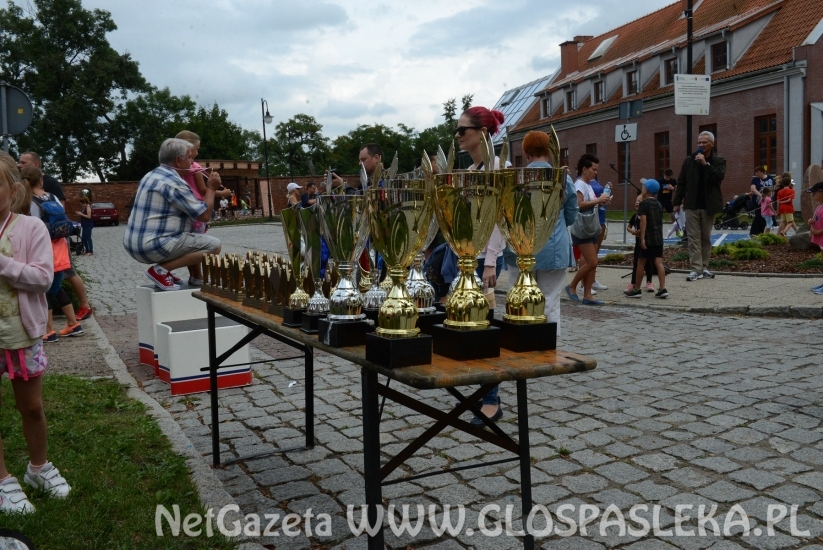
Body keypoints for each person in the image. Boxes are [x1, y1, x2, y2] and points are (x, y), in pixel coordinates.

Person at [0, 151, 71, 514]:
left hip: (21, 333)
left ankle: (38, 468)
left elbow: (44, 279)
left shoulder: (31, 228)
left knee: (32, 406)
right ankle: (2, 481)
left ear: (12, 190)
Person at [454, 105, 509, 425]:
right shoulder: (473, 170)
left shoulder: (497, 167)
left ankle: (491, 400)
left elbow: (498, 221)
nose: (458, 136)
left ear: (482, 133)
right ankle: (480, 393)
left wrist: (489, 263)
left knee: (483, 330)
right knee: (469, 328)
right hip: (467, 259)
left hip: (484, 262)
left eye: (463, 130)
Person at [124, 138, 222, 291]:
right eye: (189, 157)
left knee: (187, 236)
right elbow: (203, 215)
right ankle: (160, 271)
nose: (192, 162)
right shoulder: (174, 182)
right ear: (178, 160)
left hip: (133, 244)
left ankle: (166, 270)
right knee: (214, 246)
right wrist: (211, 188)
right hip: (151, 247)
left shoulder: (151, 175)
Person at [505, 131, 578, 338]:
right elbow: (572, 215)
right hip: (553, 248)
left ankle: (521, 344)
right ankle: (548, 348)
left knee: (519, 301)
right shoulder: (563, 178)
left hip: (519, 250)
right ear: (549, 151)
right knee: (550, 301)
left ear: (526, 154)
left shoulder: (515, 179)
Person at [18, 152, 93, 321]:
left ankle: (82, 307)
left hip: (53, 240)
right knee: (57, 282)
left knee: (64, 276)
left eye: (24, 162)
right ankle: (73, 321)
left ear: (36, 164)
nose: (19, 165)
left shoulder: (47, 185)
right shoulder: (45, 191)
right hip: (57, 239)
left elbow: (55, 214)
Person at [22, 166, 84, 341]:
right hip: (61, 247)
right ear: (41, 180)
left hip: (43, 249)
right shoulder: (53, 197)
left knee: (44, 289)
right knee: (56, 287)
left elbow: (33, 228)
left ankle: (48, 331)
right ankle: (73, 323)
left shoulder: (29, 201)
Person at [673, 131, 726, 281]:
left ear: (712, 144)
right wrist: (677, 202)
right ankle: (696, 269)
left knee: (705, 238)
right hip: (691, 205)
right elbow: (681, 182)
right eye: (699, 143)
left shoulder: (719, 161)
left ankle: (705, 267)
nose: (701, 145)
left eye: (704, 142)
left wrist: (705, 164)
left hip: (709, 205)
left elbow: (719, 177)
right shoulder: (689, 160)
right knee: (693, 238)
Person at [565, 154, 610, 305]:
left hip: (591, 227)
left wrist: (600, 202)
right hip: (583, 227)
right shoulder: (580, 184)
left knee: (593, 262)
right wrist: (598, 200)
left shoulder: (588, 185)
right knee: (592, 261)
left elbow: (590, 204)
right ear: (584, 169)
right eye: (593, 169)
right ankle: (572, 285)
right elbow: (579, 204)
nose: (595, 172)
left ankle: (588, 295)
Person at [625, 179, 667, 298]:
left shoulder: (643, 204)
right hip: (658, 238)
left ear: (647, 190)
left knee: (641, 263)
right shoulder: (659, 204)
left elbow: (643, 221)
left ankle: (637, 289)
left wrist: (642, 238)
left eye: (643, 187)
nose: (642, 189)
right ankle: (663, 288)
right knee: (658, 262)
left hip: (648, 238)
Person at [627, 193, 655, 292]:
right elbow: (628, 227)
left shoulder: (647, 216)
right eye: (636, 201)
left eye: (639, 201)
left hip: (648, 242)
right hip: (638, 243)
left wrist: (642, 232)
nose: (637, 203)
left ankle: (649, 282)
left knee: (649, 263)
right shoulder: (635, 216)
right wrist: (632, 231)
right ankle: (633, 283)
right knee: (636, 263)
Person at [805, 181, 823, 294]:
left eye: (814, 193)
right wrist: (811, 222)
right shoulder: (819, 206)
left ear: (821, 192)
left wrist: (817, 231)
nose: (812, 195)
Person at [749, 166, 775, 237]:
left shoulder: (770, 178)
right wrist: (762, 196)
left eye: (758, 172)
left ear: (762, 172)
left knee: (765, 217)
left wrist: (770, 197)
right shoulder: (755, 180)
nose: (756, 173)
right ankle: (753, 232)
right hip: (758, 201)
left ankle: (760, 233)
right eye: (755, 172)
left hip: (768, 201)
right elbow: (753, 189)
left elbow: (773, 188)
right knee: (758, 216)